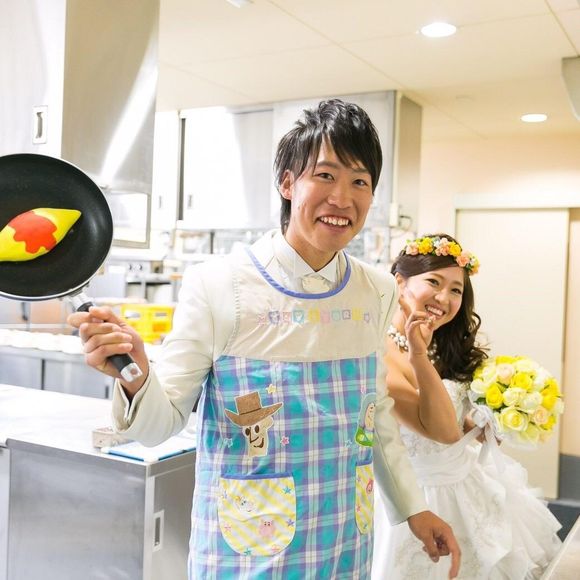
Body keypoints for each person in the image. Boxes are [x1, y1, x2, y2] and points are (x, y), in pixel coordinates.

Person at [69, 100, 460, 579]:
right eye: (325, 175)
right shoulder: (220, 285)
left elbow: (374, 417)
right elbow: (159, 424)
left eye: (360, 182)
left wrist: (413, 508)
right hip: (246, 551)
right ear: (287, 183)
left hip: (344, 540)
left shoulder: (376, 290)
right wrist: (136, 375)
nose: (342, 198)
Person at [372, 234, 562, 579]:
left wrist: (479, 423)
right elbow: (440, 432)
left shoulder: (439, 342)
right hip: (421, 498)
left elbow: (450, 423)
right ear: (399, 283)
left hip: (468, 483)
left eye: (456, 290)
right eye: (434, 282)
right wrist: (418, 356)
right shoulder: (380, 353)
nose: (444, 298)